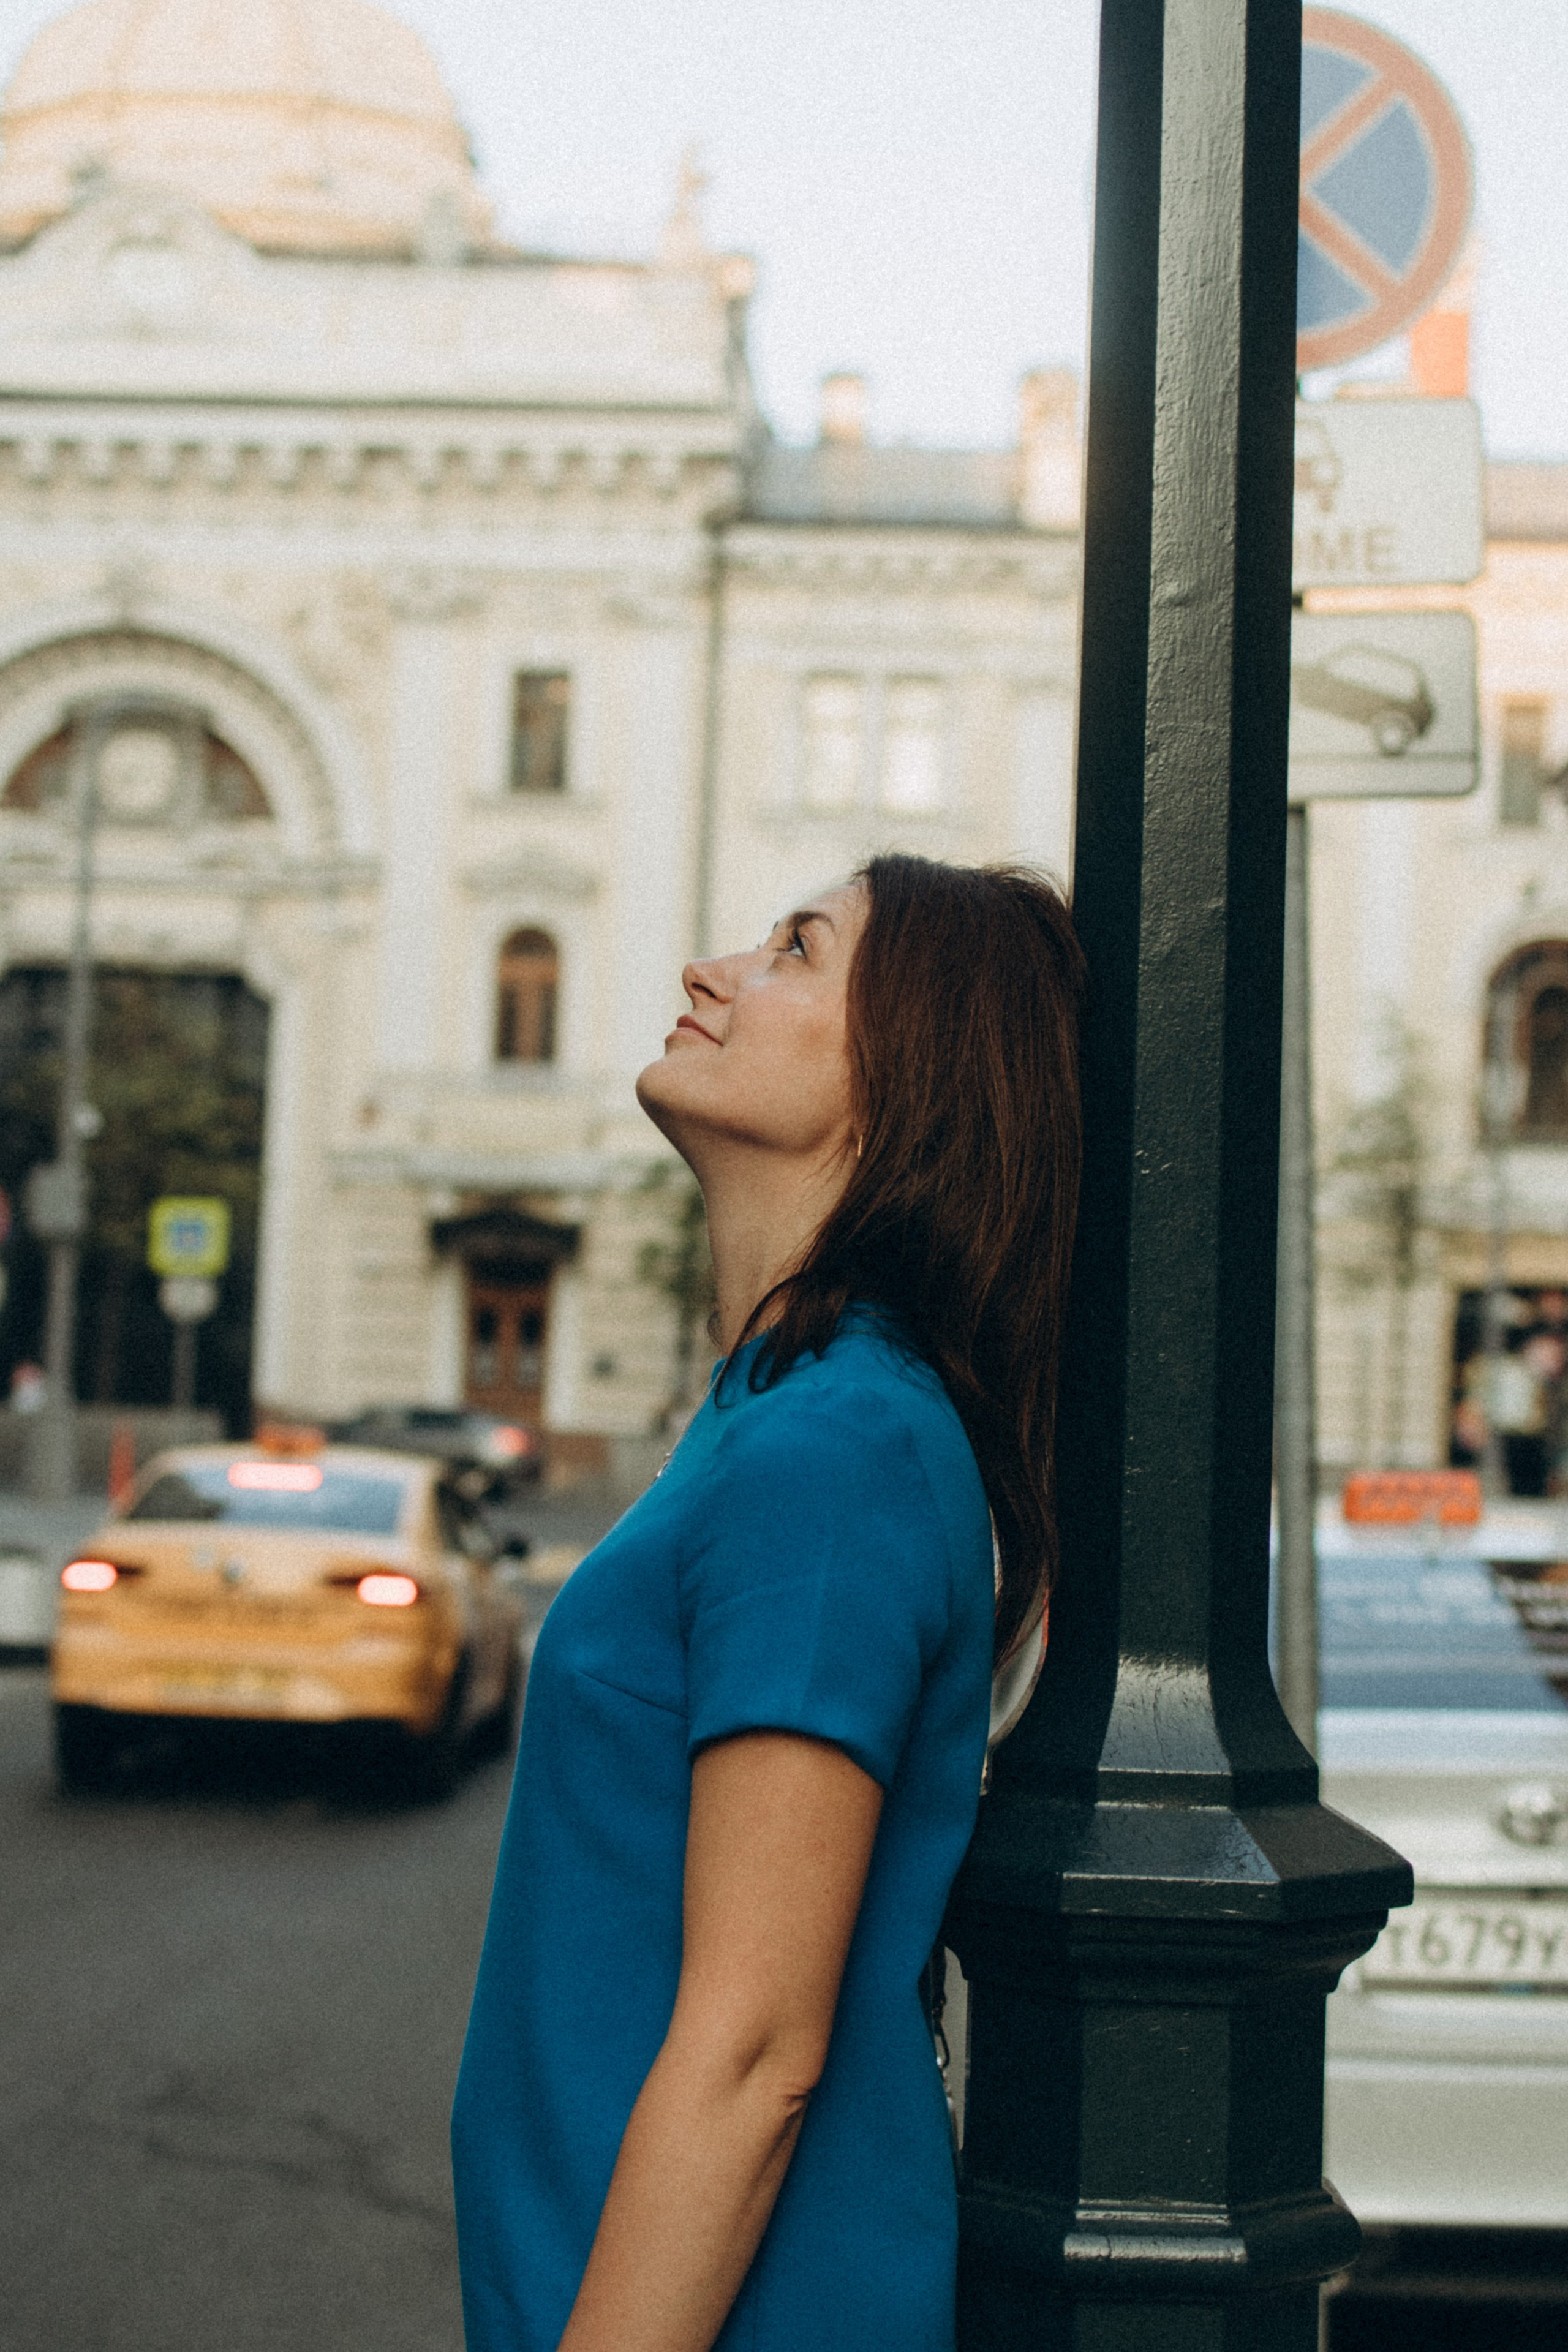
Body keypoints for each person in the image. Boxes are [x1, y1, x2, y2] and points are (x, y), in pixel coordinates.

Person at [452, 853, 1084, 2352]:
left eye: (797, 950)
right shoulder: (787, 1415)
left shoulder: (832, 1448)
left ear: (914, 1077)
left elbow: (755, 2052)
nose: (711, 971)